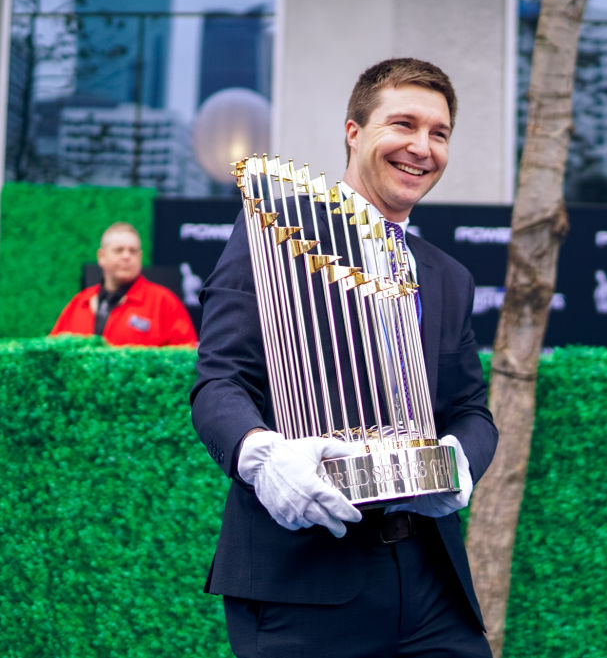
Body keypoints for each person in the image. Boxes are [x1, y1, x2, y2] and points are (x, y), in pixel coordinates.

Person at [191, 58, 498, 657]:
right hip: (302, 582)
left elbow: (470, 408)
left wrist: (460, 461)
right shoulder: (272, 236)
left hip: (432, 580)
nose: (421, 147)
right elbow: (218, 383)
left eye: (439, 133)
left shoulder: (449, 276)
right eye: (403, 124)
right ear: (354, 132)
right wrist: (264, 456)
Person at [50, 222, 198, 346]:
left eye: (133, 251)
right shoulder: (80, 302)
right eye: (119, 250)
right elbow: (54, 352)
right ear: (101, 256)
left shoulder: (164, 302)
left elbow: (186, 360)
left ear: (140, 257)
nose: (126, 256)